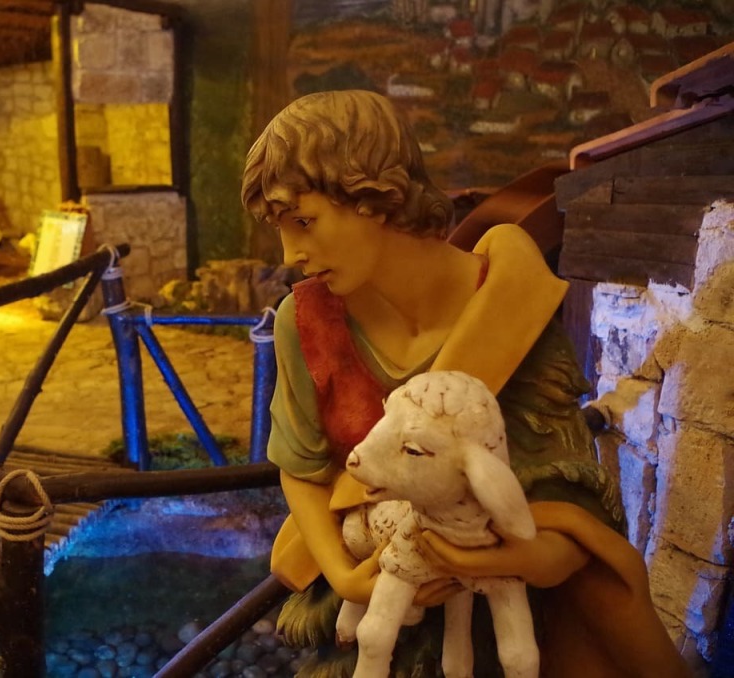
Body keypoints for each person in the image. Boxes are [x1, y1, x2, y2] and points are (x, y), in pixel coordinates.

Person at [241, 90, 687, 677]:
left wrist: (522, 557)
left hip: (503, 617)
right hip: (375, 604)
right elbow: (301, 469)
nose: (291, 253)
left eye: (303, 222)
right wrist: (348, 577)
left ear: (374, 197)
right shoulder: (305, 322)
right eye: (281, 227)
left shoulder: (509, 306)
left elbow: (566, 485)